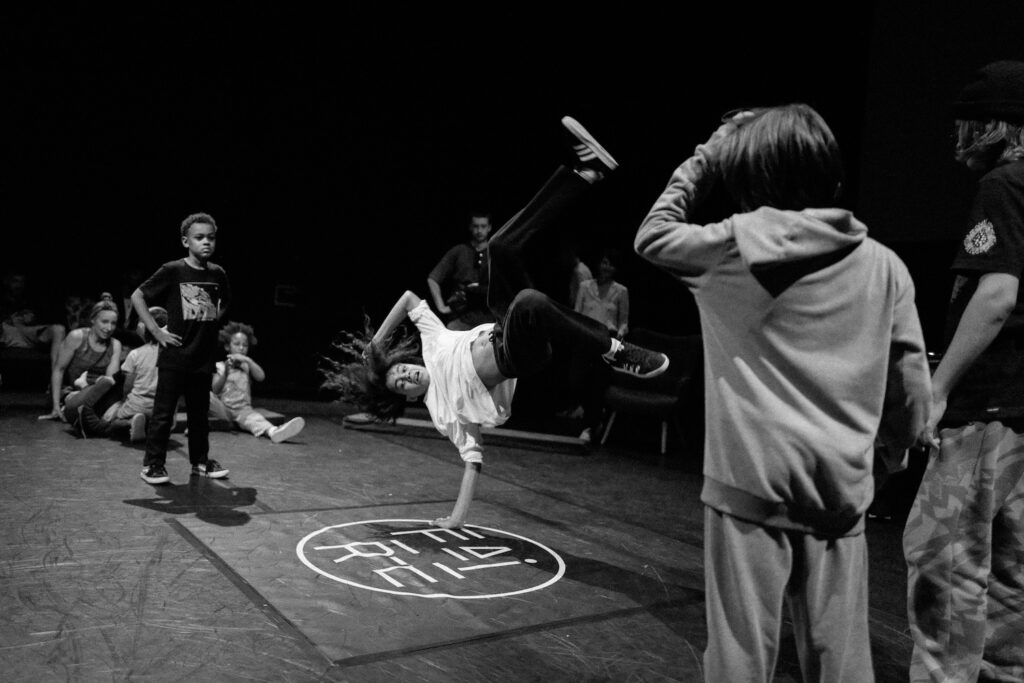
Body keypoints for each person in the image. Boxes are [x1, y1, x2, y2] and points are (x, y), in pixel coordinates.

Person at [635, 104, 931, 681]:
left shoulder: (728, 250)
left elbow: (653, 232)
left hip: (746, 490)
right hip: (839, 494)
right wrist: (882, 465)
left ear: (747, 175)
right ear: (831, 174)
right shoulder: (885, 267)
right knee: (842, 664)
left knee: (739, 659)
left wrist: (710, 150)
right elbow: (911, 394)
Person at [323, 115, 670, 529]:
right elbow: (473, 462)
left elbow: (410, 298)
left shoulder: (432, 344)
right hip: (517, 356)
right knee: (529, 301)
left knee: (500, 246)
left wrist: (376, 343)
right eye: (402, 383)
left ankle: (587, 172)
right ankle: (615, 350)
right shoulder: (442, 412)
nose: (407, 375)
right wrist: (454, 518)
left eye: (401, 369)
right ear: (409, 397)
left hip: (502, 324)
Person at [903, 60, 1024, 683]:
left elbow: (997, 294)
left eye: (972, 123)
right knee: (1011, 581)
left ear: (1000, 125)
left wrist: (939, 388)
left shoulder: (1005, 183)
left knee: (946, 567)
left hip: (986, 410)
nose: (962, 137)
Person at [132, 212, 231, 484]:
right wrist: (155, 331)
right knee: (163, 415)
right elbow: (138, 295)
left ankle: (200, 460)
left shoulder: (217, 273)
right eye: (199, 238)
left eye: (211, 237)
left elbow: (224, 303)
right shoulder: (173, 270)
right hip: (176, 355)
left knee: (200, 415)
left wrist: (208, 326)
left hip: (203, 356)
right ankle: (153, 464)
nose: (206, 243)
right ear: (185, 241)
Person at [76, 306, 168, 441]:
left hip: (137, 405)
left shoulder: (137, 354)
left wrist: (123, 402)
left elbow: (127, 387)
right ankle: (145, 425)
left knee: (112, 422)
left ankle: (130, 423)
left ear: (143, 327)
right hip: (162, 410)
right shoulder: (176, 353)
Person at [208, 321, 305, 443]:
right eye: (237, 344)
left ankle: (273, 432)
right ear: (228, 346)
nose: (241, 348)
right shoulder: (220, 366)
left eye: (245, 345)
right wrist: (226, 372)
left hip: (242, 410)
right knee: (205, 395)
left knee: (255, 419)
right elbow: (215, 389)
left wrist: (247, 360)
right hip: (224, 410)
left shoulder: (247, 366)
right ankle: (196, 425)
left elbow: (261, 377)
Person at [38, 300, 123, 427]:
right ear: (93, 319)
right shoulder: (77, 337)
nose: (109, 328)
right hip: (73, 393)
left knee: (116, 406)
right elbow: (58, 370)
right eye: (104, 322)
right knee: (88, 410)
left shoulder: (115, 345)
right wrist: (55, 406)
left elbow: (109, 380)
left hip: (99, 396)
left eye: (113, 323)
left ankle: (127, 423)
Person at [426, 211, 496, 330]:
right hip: (460, 316)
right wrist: (441, 306)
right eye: (476, 226)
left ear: (489, 228)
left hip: (488, 317)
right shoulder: (459, 251)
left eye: (483, 226)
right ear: (470, 227)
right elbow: (433, 278)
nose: (479, 230)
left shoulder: (495, 253)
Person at [575, 248, 629, 339]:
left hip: (607, 339)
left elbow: (623, 324)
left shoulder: (622, 291)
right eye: (604, 263)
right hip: (584, 336)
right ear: (599, 264)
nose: (607, 267)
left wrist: (619, 335)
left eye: (611, 265)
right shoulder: (584, 287)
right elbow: (576, 315)